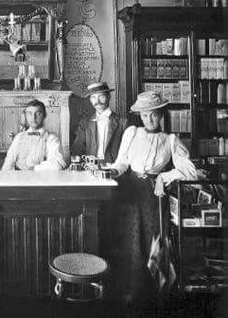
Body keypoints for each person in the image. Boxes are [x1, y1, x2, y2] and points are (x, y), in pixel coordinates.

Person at [107, 91, 199, 303]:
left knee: (153, 240)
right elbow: (122, 163)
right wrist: (113, 171)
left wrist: (163, 176)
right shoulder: (132, 133)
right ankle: (129, 291)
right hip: (129, 191)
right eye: (145, 115)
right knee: (129, 240)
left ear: (161, 115)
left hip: (154, 195)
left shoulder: (170, 140)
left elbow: (190, 171)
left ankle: (153, 296)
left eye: (154, 115)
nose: (149, 120)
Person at [2, 99, 66, 171]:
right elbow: (8, 164)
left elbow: (57, 164)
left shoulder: (51, 139)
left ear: (44, 115)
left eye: (38, 113)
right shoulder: (19, 137)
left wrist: (33, 169)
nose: (33, 117)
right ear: (26, 116)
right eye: (30, 113)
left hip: (40, 180)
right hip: (18, 179)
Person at [71, 81, 126, 162]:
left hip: (114, 169)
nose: (97, 101)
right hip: (90, 168)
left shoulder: (122, 123)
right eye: (93, 97)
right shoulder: (85, 123)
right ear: (90, 100)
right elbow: (77, 148)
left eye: (101, 96)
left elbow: (126, 153)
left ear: (109, 96)